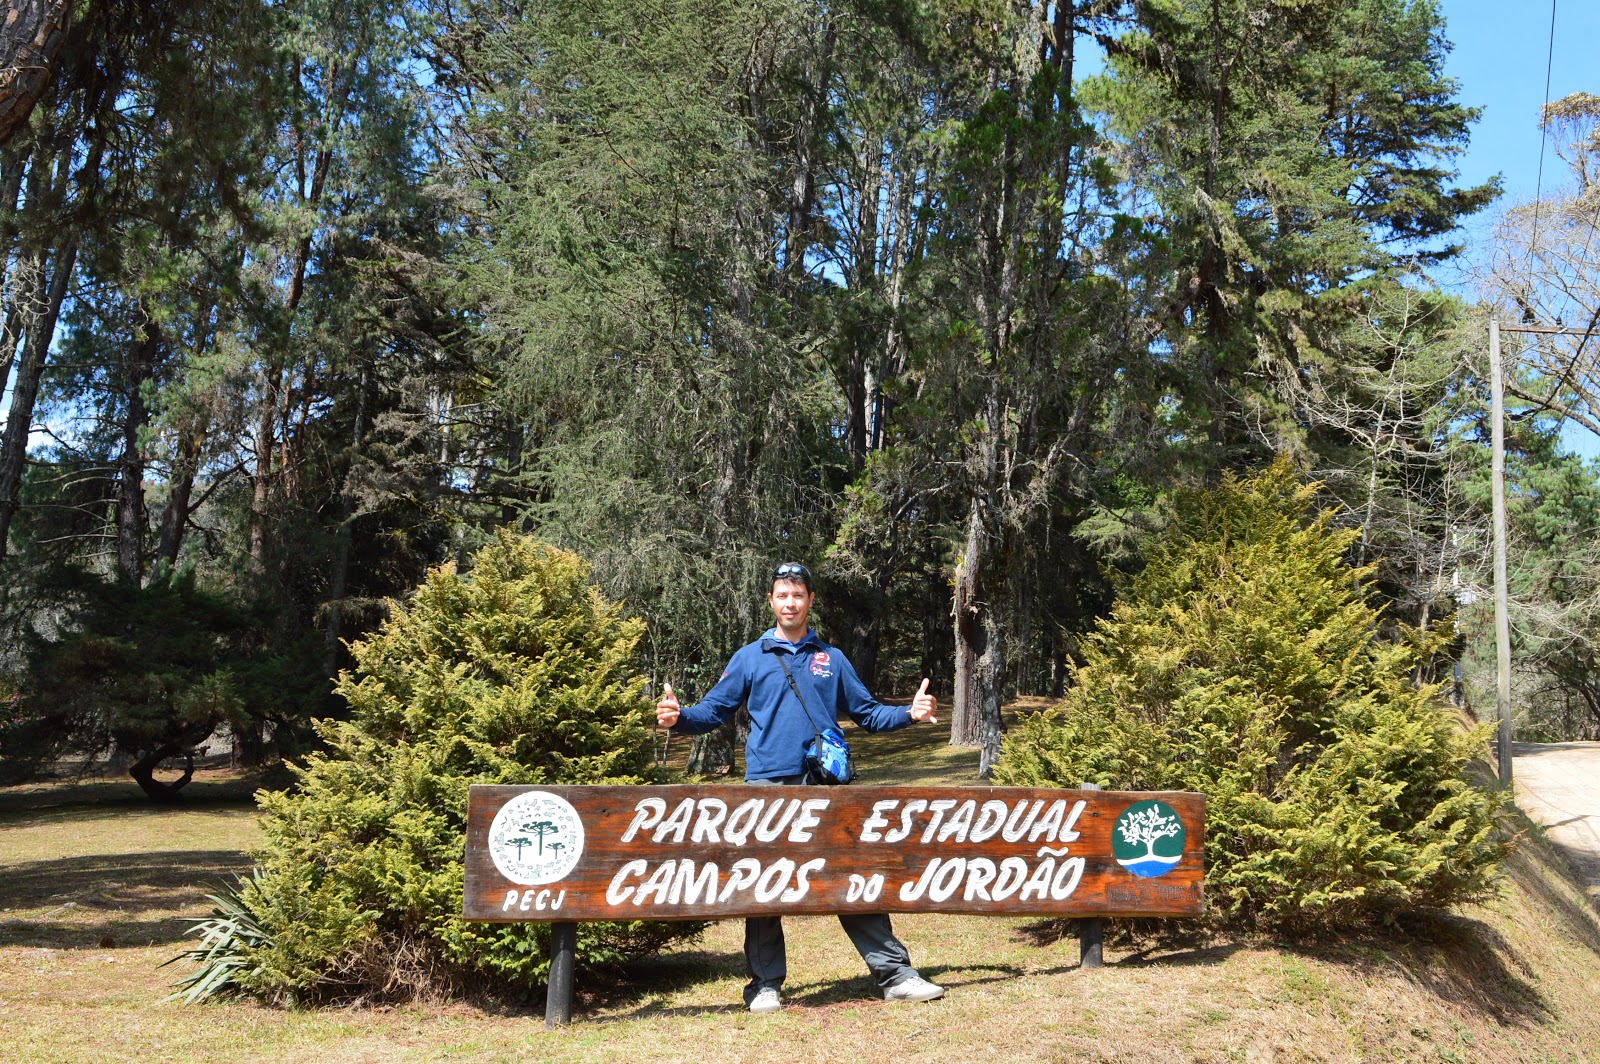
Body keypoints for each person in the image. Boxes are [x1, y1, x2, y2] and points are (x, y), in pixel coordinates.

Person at [655, 562, 946, 1014]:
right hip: (767, 787)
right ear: (771, 602)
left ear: (810, 601)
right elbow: (714, 710)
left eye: (798, 595)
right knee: (762, 886)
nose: (790, 603)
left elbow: (868, 714)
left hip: (826, 787)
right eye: (782, 595)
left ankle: (895, 974)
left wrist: (909, 713)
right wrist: (681, 718)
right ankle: (765, 985)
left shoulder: (831, 657)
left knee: (851, 877)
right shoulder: (750, 658)